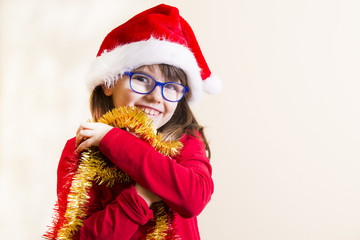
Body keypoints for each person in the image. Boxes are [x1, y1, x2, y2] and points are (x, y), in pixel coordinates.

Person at [45, 4, 221, 240]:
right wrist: (141, 196)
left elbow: (193, 198)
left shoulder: (185, 141)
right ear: (109, 82)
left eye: (171, 87)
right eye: (141, 79)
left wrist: (115, 141)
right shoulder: (82, 148)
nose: (156, 96)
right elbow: (80, 236)